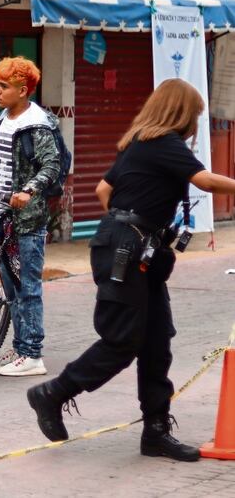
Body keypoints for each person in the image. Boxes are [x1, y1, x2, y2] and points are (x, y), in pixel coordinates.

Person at [27, 78, 235, 461]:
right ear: (181, 114)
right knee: (122, 340)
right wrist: (129, 228)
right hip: (128, 250)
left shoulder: (139, 142)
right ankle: (53, 393)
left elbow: (102, 191)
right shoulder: (164, 142)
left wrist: (124, 223)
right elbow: (204, 181)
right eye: (195, 117)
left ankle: (155, 431)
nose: (195, 126)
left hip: (137, 249)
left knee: (156, 339)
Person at [0, 57, 62, 377]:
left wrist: (29, 190)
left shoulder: (37, 124)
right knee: (11, 286)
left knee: (28, 286)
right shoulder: (4, 117)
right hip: (2, 214)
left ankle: (32, 355)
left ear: (23, 90)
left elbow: (52, 165)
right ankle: (20, 348)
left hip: (27, 220)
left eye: (4, 86)